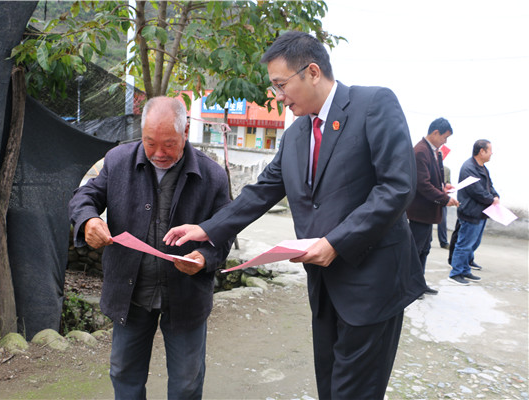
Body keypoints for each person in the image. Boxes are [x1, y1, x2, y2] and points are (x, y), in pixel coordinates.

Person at [164, 31, 426, 399]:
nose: (277, 96)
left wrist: (336, 242)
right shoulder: (297, 133)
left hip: (373, 282)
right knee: (330, 384)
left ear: (313, 72)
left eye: (280, 84)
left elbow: (396, 186)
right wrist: (207, 229)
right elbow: (261, 192)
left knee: (357, 391)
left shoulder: (373, 104)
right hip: (324, 283)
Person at [68, 96, 233, 399]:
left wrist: (204, 257)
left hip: (185, 296)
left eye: (169, 144)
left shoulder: (212, 175)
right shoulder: (117, 161)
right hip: (131, 293)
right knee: (124, 374)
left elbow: (225, 232)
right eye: (150, 142)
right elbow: (84, 196)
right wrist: (88, 220)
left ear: (185, 133)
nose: (159, 153)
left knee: (186, 383)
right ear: (141, 133)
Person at [406, 118, 459, 296]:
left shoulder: (434, 152)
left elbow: (433, 180)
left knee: (425, 249)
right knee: (415, 250)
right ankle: (410, 286)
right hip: (420, 211)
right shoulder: (420, 151)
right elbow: (423, 185)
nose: (445, 142)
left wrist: (444, 188)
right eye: (445, 137)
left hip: (428, 212)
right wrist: (444, 199)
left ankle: (419, 284)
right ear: (435, 133)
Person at [449, 139, 498, 285]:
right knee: (464, 244)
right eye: (490, 150)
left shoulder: (482, 167)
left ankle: (464, 270)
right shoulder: (468, 167)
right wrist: (491, 199)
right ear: (481, 151)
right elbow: (476, 191)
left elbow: (489, 186)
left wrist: (495, 196)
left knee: (473, 244)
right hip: (471, 212)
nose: (492, 153)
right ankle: (455, 273)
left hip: (481, 212)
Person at [438, 165, 452, 249]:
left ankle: (443, 241)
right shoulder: (430, 166)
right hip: (431, 196)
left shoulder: (446, 169)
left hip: (442, 197)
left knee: (442, 220)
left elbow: (448, 182)